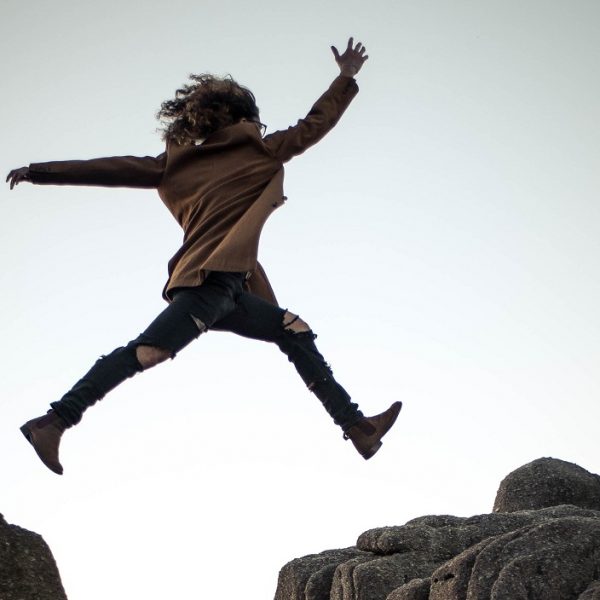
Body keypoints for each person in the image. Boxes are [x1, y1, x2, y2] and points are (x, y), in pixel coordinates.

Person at [7, 38, 401, 475]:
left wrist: (41, 172)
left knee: (294, 330)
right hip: (207, 283)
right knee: (148, 351)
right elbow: (314, 125)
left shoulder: (174, 163)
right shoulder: (259, 149)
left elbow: (109, 167)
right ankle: (55, 421)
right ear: (244, 118)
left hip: (231, 287)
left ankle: (357, 427)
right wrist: (345, 78)